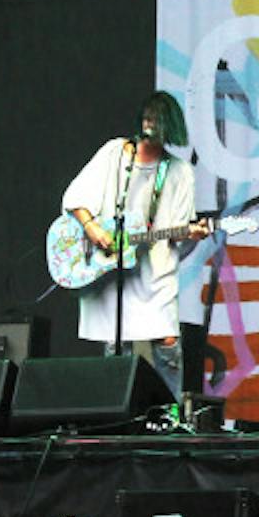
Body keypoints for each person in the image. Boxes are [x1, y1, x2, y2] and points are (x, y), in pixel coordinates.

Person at [60, 90, 208, 404]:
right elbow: (75, 198)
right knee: (117, 344)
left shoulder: (180, 172)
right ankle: (114, 410)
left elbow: (177, 232)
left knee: (167, 341)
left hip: (154, 268)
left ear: (171, 127)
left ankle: (173, 414)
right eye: (147, 117)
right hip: (111, 266)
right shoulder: (115, 153)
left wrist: (190, 232)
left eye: (157, 119)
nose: (150, 124)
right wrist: (93, 227)